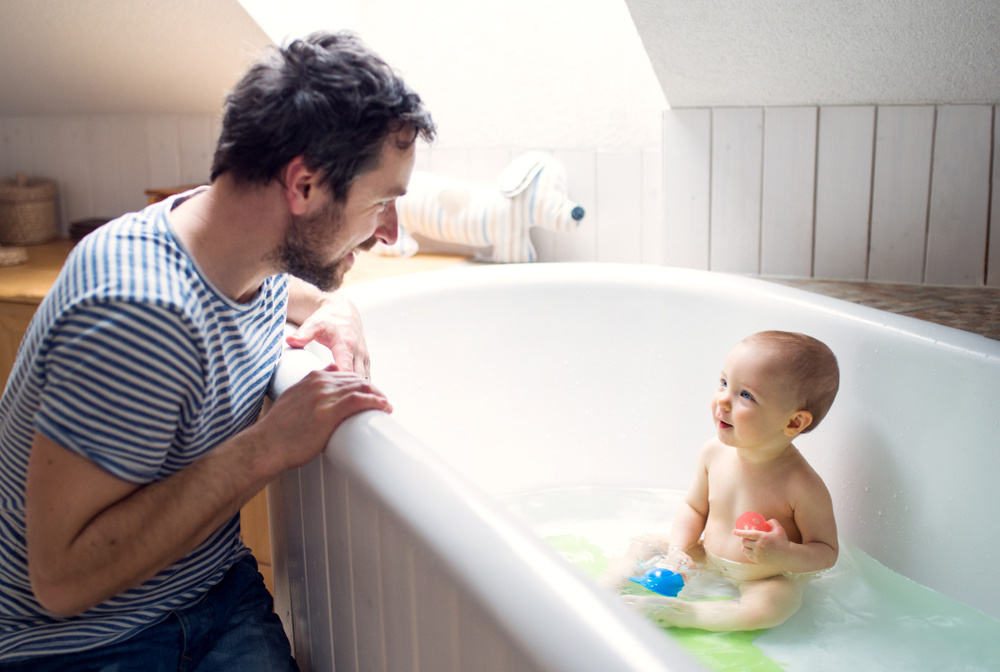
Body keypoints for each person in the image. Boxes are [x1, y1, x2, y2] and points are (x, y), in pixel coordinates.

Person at [0, 31, 435, 669]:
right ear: (305, 186)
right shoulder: (135, 316)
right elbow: (61, 581)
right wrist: (267, 446)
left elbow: (283, 293)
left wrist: (333, 306)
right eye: (383, 202)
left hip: (211, 588)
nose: (391, 232)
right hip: (84, 641)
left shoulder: (235, 253)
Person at [601, 331, 840, 632]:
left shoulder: (802, 486)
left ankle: (684, 614)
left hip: (763, 575)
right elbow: (694, 508)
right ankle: (608, 584)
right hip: (705, 551)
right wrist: (677, 550)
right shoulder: (713, 453)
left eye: (746, 395)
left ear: (793, 422)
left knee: (772, 608)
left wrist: (785, 554)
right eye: (724, 383)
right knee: (644, 543)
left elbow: (826, 553)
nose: (723, 401)